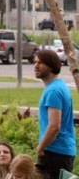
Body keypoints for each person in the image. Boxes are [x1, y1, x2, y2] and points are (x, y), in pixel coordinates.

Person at [35, 48, 76, 178]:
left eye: (40, 63)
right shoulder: (59, 86)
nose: (35, 66)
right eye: (35, 62)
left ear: (52, 66)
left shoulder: (53, 91)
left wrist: (40, 147)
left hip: (55, 151)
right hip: (60, 150)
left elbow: (54, 126)